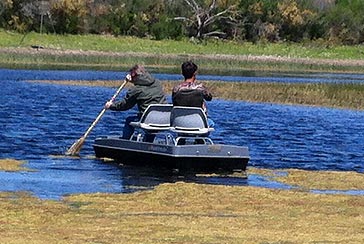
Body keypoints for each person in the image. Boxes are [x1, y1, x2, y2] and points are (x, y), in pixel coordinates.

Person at [105, 64, 167, 139]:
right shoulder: (157, 83)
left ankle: (125, 141)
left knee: (129, 120)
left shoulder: (136, 90)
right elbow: (143, 82)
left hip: (147, 121)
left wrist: (111, 105)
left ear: (134, 75)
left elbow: (125, 105)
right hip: (163, 120)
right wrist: (132, 80)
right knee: (151, 121)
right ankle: (148, 142)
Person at [172, 60, 215, 127]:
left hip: (180, 122)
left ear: (182, 73)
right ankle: (200, 137)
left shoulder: (176, 89)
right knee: (211, 123)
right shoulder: (200, 88)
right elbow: (209, 98)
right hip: (199, 122)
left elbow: (174, 103)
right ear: (195, 73)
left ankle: (183, 136)